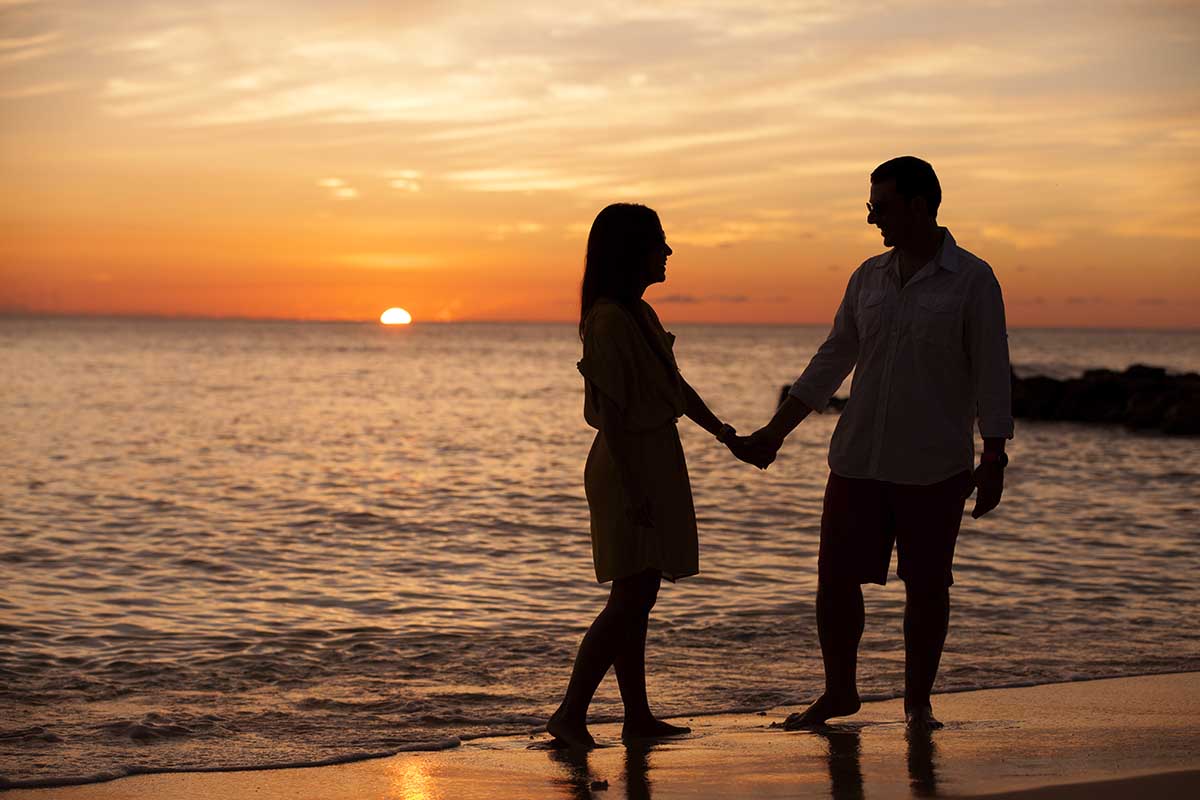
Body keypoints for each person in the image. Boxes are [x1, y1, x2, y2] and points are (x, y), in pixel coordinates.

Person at [743, 156, 1013, 731]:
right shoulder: (868, 276)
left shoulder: (973, 279)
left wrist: (994, 455)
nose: (872, 219)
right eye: (870, 206)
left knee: (927, 587)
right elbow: (832, 359)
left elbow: (992, 371)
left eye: (880, 206)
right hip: (858, 457)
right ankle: (840, 691)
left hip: (934, 465)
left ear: (919, 205)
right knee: (836, 579)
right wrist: (775, 433)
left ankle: (918, 704)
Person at [547, 202, 755, 749]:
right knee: (630, 597)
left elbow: (676, 388)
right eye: (659, 241)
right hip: (628, 463)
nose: (667, 251)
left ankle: (636, 716)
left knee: (639, 594)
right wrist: (636, 488)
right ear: (631, 250)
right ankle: (570, 714)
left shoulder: (640, 314)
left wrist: (724, 434)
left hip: (656, 456)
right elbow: (613, 414)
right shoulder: (610, 318)